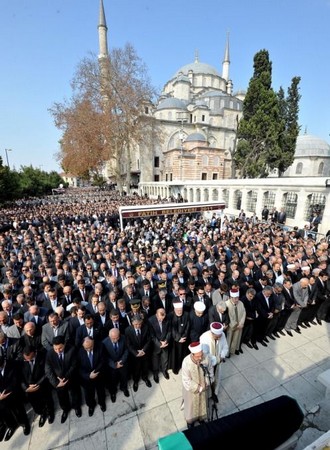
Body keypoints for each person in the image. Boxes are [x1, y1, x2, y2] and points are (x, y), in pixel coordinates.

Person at [45, 335, 82, 423]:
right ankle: (65, 409)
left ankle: (76, 407)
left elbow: (74, 365)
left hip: (71, 377)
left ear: (64, 344)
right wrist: (56, 383)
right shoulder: (50, 353)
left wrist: (65, 378)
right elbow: (48, 369)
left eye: (60, 348)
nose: (58, 351)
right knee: (62, 397)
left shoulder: (72, 350)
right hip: (58, 382)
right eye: (56, 349)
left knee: (75, 393)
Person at [18, 345, 54, 427]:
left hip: (42, 384)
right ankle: (42, 413)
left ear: (35, 353)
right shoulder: (20, 360)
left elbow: (47, 372)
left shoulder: (43, 355)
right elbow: (19, 377)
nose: (28, 360)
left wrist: (37, 384)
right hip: (29, 388)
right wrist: (26, 388)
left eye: (30, 358)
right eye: (26, 359)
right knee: (35, 404)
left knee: (47, 400)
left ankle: (50, 413)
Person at [181, 341, 214, 428]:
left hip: (204, 387)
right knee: (191, 407)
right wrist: (198, 388)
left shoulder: (206, 357)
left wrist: (207, 382)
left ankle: (201, 418)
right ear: (192, 354)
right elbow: (186, 380)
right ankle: (190, 422)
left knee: (203, 404)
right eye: (197, 356)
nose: (200, 358)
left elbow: (210, 371)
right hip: (192, 391)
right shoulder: (186, 362)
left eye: (201, 355)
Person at [77, 336, 106, 415]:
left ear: (93, 343)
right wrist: (88, 375)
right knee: (89, 394)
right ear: (83, 346)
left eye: (91, 347)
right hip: (87, 378)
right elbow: (78, 368)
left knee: (101, 391)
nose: (89, 349)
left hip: (99, 374)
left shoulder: (100, 347)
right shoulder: (79, 352)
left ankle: (102, 403)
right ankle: (91, 406)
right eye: (86, 348)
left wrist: (95, 373)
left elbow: (103, 361)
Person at [200, 322, 228, 397]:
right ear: (212, 333)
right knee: (208, 379)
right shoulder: (204, 338)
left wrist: (222, 356)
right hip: (209, 364)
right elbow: (205, 355)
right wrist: (217, 359)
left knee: (217, 378)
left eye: (220, 336)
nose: (219, 338)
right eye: (217, 337)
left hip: (219, 362)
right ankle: (208, 395)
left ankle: (214, 393)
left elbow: (225, 347)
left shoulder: (222, 335)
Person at [102, 328, 130, 402]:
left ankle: (124, 388)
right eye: (113, 338)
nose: (116, 340)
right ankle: (113, 392)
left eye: (117, 337)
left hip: (122, 363)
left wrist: (122, 361)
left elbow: (126, 350)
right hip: (112, 366)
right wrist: (114, 365)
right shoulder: (104, 343)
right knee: (112, 380)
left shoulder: (123, 338)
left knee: (124, 377)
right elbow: (105, 356)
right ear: (109, 336)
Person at [125, 316, 152, 392]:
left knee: (145, 367)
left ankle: (145, 378)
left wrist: (143, 350)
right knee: (136, 369)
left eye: (140, 324)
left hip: (144, 352)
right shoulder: (128, 330)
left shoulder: (146, 327)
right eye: (136, 324)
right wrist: (136, 353)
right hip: (135, 355)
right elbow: (128, 344)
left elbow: (149, 340)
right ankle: (136, 381)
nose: (138, 326)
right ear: (132, 323)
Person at [148, 308, 171, 383]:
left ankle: (164, 371)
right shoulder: (151, 320)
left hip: (165, 343)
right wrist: (159, 344)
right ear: (156, 315)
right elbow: (152, 335)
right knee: (155, 360)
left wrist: (166, 341)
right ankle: (155, 373)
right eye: (161, 318)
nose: (162, 320)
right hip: (156, 345)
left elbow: (169, 331)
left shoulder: (167, 318)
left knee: (165, 359)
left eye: (163, 318)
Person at [168, 301, 190, 374]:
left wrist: (184, 336)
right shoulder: (170, 315)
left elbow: (187, 326)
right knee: (175, 355)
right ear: (174, 310)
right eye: (178, 310)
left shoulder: (186, 314)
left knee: (183, 354)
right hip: (175, 340)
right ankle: (175, 369)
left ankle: (183, 366)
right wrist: (178, 338)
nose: (180, 312)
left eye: (181, 310)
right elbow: (171, 328)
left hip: (184, 339)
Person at [225, 288, 246, 356]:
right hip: (231, 326)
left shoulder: (241, 303)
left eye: (237, 298)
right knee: (229, 340)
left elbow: (243, 313)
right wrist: (235, 324)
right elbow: (228, 316)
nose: (237, 300)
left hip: (239, 326)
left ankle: (234, 350)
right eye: (235, 298)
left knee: (236, 339)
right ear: (231, 297)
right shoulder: (226, 304)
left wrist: (241, 323)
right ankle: (227, 353)